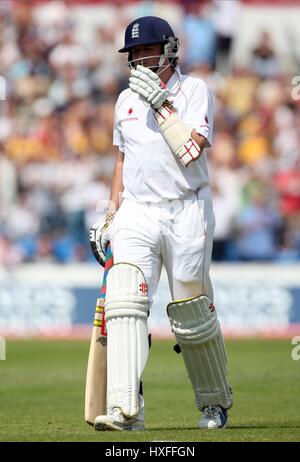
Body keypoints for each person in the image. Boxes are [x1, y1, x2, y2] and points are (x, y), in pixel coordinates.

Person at [90, 16, 233, 431]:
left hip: (186, 207)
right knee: (124, 301)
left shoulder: (194, 91)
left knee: (190, 311)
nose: (137, 60)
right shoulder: (124, 100)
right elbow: (122, 160)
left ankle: (213, 403)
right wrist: (112, 210)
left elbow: (192, 151)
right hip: (138, 211)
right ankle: (124, 408)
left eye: (144, 51)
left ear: (170, 50)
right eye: (131, 54)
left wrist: (161, 104)